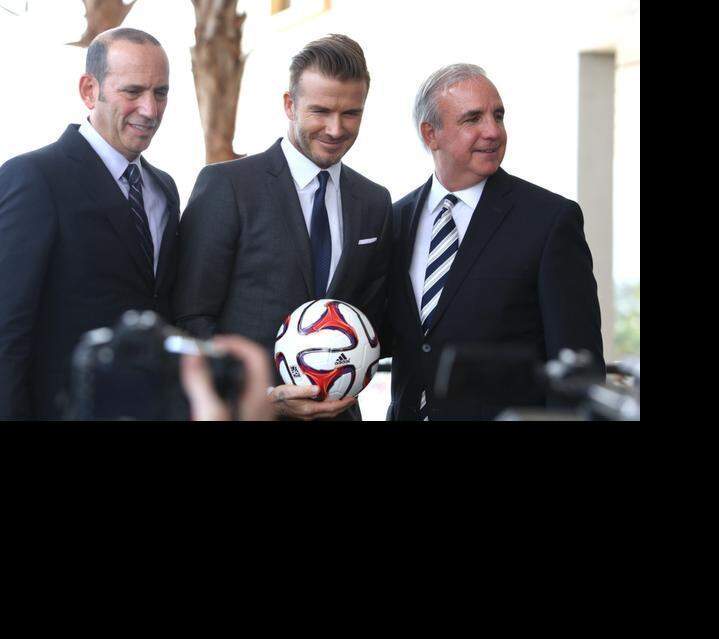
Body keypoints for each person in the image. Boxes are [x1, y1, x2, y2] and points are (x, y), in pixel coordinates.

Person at [174, 34, 392, 421]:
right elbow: (190, 318)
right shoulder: (227, 186)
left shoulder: (375, 201)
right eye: (320, 111)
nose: (336, 129)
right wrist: (265, 395)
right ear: (289, 105)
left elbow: (369, 321)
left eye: (351, 113)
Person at [383, 64, 604, 421]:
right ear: (430, 134)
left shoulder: (549, 220)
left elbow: (578, 368)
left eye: (498, 116)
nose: (493, 131)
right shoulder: (394, 220)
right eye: (473, 119)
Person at [0, 28, 178, 420]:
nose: (150, 109)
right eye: (132, 91)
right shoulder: (34, 177)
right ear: (88, 90)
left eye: (161, 92)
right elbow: (6, 330)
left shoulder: (164, 189)